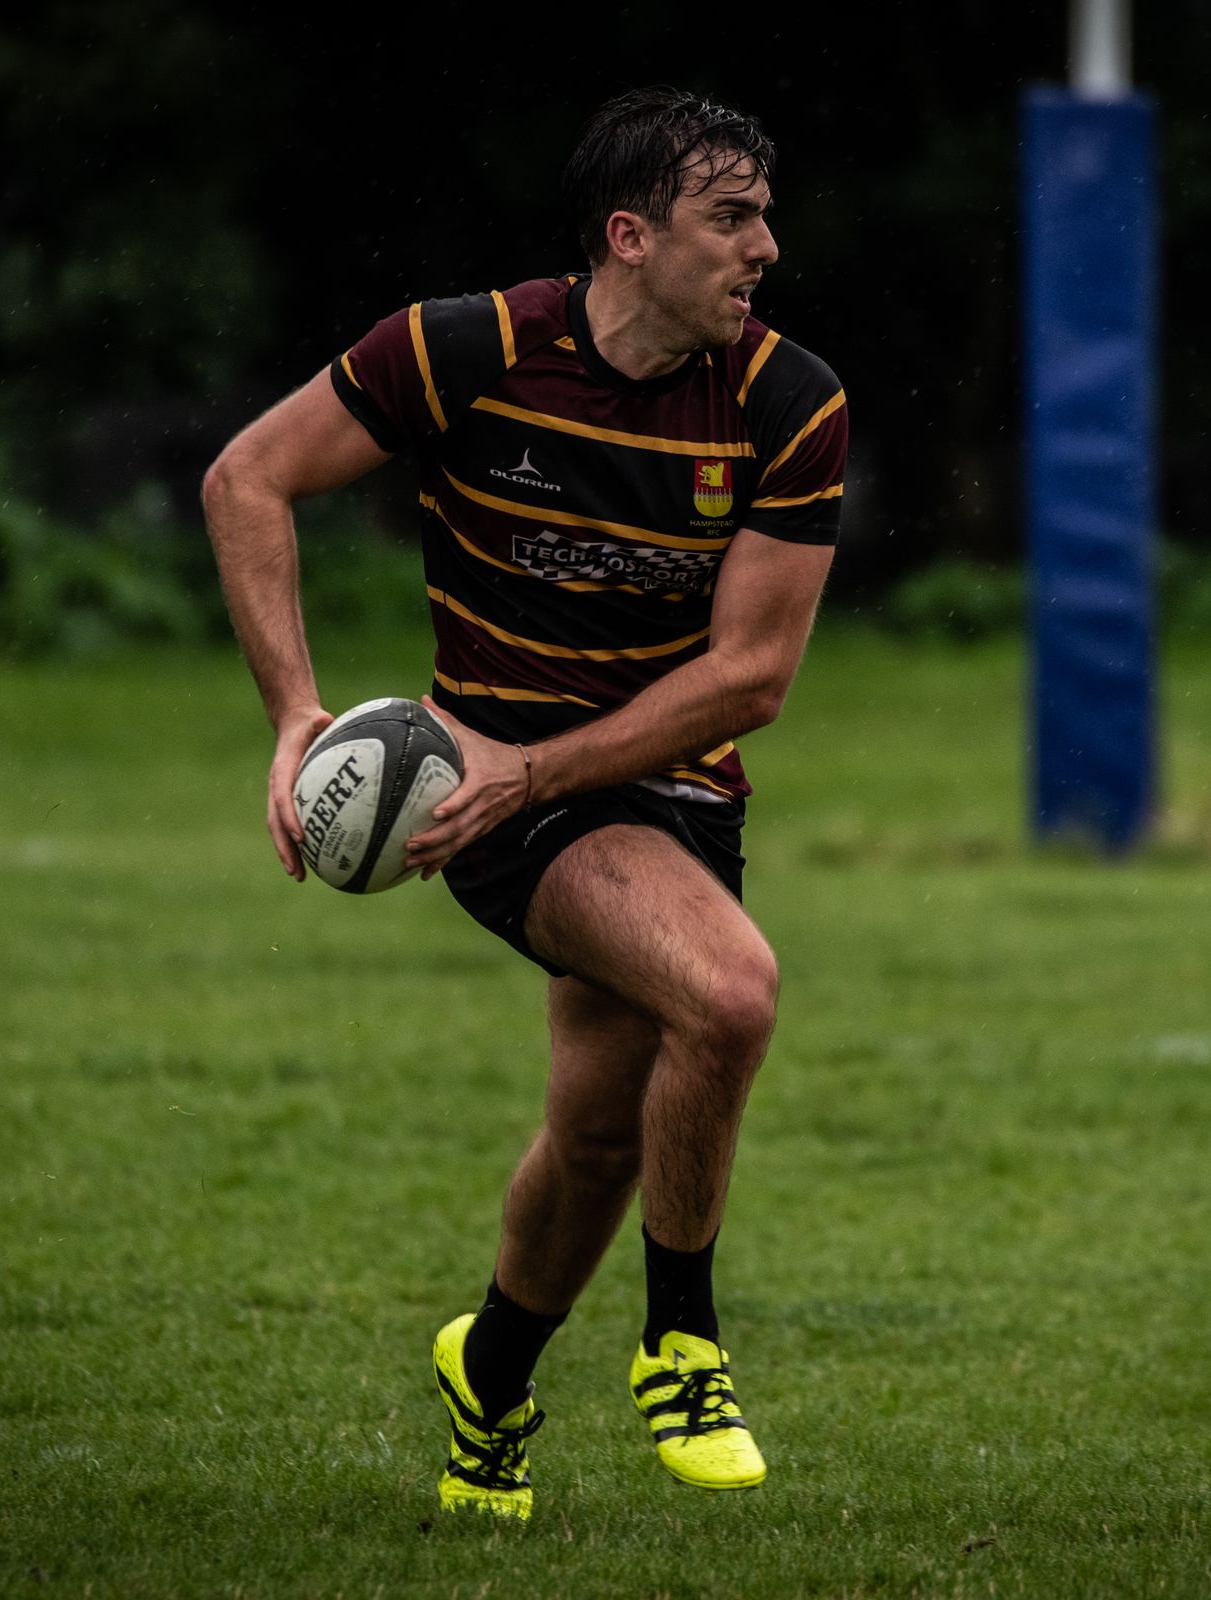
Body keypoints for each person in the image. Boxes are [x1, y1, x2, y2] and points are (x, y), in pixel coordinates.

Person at [199, 86, 847, 1522]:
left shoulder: (787, 403)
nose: (766, 248)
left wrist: (542, 769)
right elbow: (248, 480)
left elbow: (751, 678)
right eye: (732, 218)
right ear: (631, 236)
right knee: (731, 997)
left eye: (766, 217)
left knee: (602, 1132)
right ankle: (682, 1343)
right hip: (493, 799)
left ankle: (486, 1381)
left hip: (659, 791)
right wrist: (297, 714)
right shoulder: (465, 351)